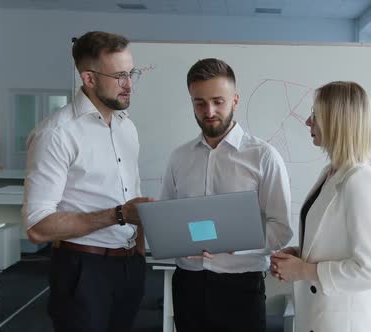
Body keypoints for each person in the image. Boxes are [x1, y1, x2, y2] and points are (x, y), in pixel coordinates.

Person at [22, 31, 152, 332]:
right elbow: (37, 227)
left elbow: (134, 194)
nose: (129, 84)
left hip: (129, 266)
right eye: (119, 76)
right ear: (89, 79)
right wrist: (118, 215)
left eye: (131, 73)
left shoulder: (126, 127)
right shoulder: (56, 133)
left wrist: (140, 253)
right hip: (83, 271)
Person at [160, 58, 293, 332]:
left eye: (218, 101)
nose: (209, 111)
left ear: (235, 100)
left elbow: (281, 229)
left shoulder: (263, 157)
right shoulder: (178, 158)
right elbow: (166, 220)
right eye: (199, 103)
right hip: (188, 284)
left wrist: (235, 243)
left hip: (241, 285)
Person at [270, 81, 371, 332]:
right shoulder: (331, 173)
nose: (308, 122)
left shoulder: (361, 182)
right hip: (320, 314)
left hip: (345, 321)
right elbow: (331, 240)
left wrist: (304, 270)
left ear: (336, 121)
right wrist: (300, 253)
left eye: (315, 115)